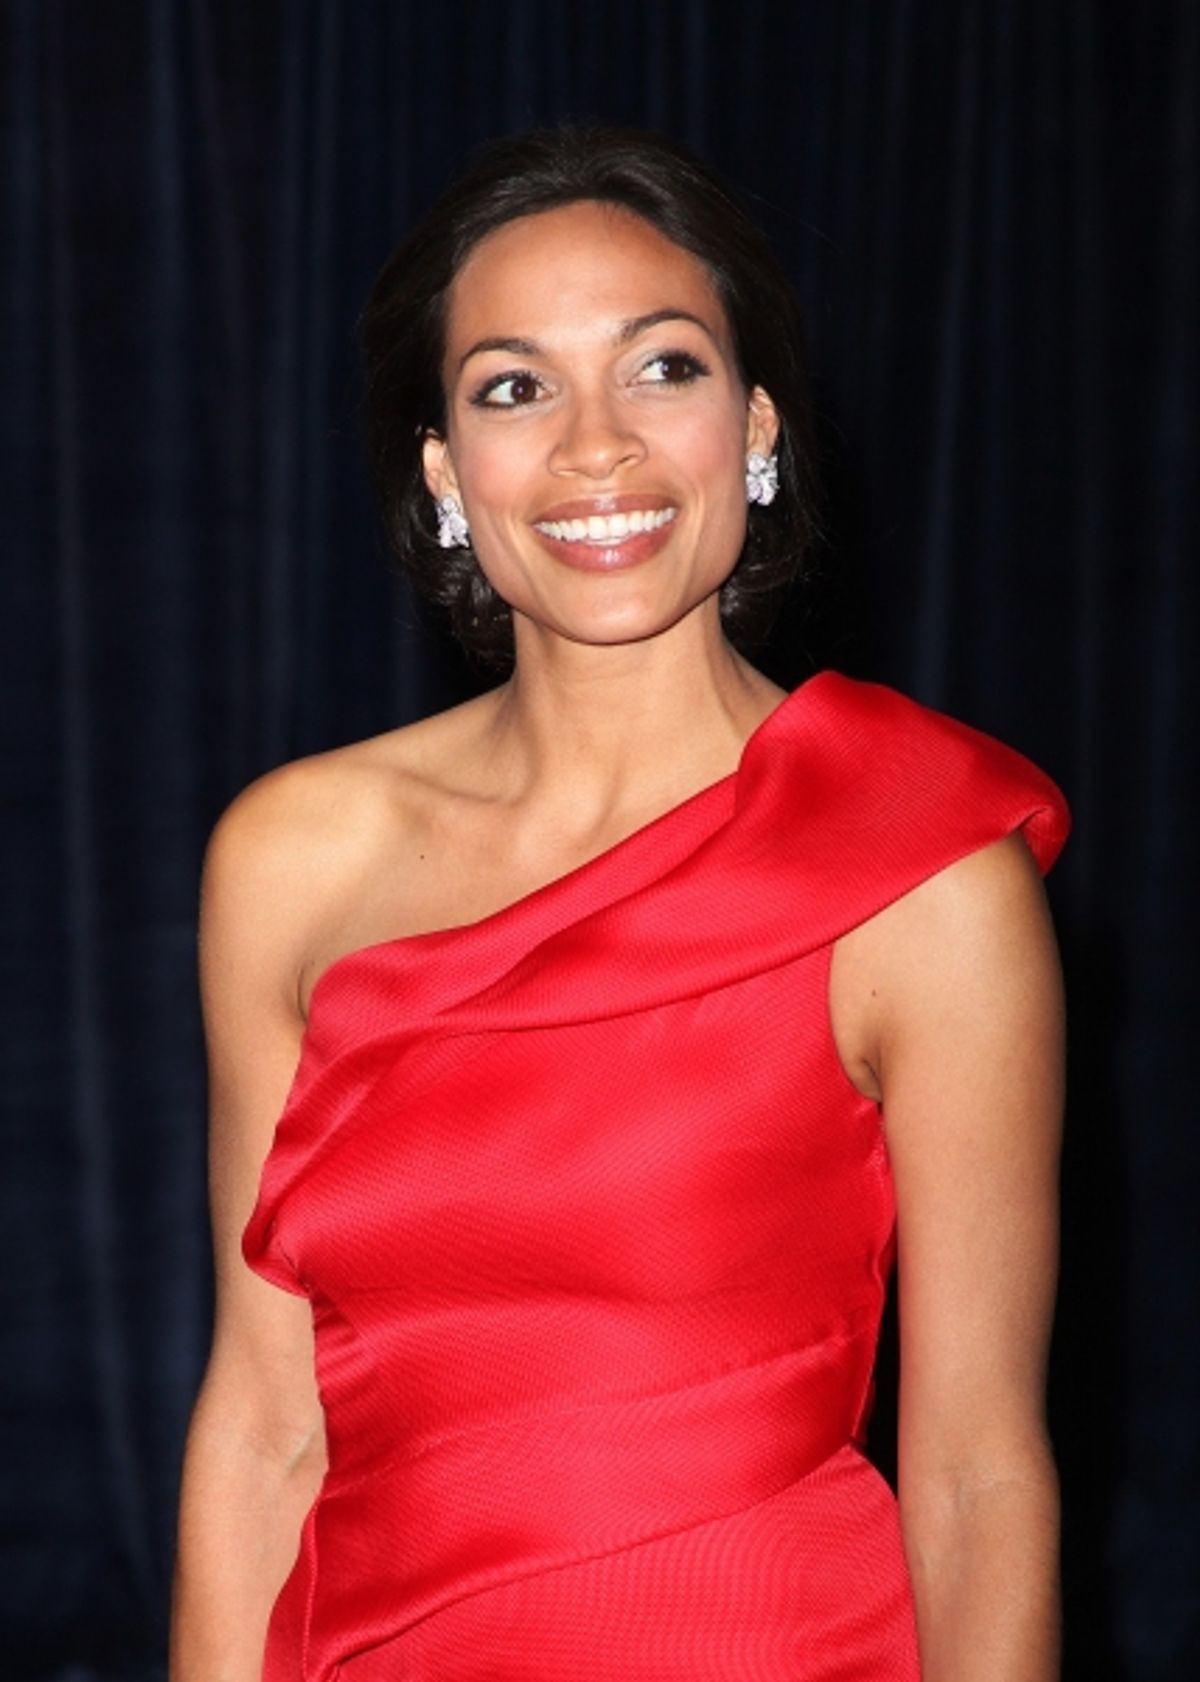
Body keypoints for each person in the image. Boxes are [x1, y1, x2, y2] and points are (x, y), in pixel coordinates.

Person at [170, 127, 1069, 1682]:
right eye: (515, 387)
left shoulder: (919, 867)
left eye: (662, 368)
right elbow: (261, 1427)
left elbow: (980, 1476)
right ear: (447, 471)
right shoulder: (293, 859)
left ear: (758, 423)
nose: (598, 447)